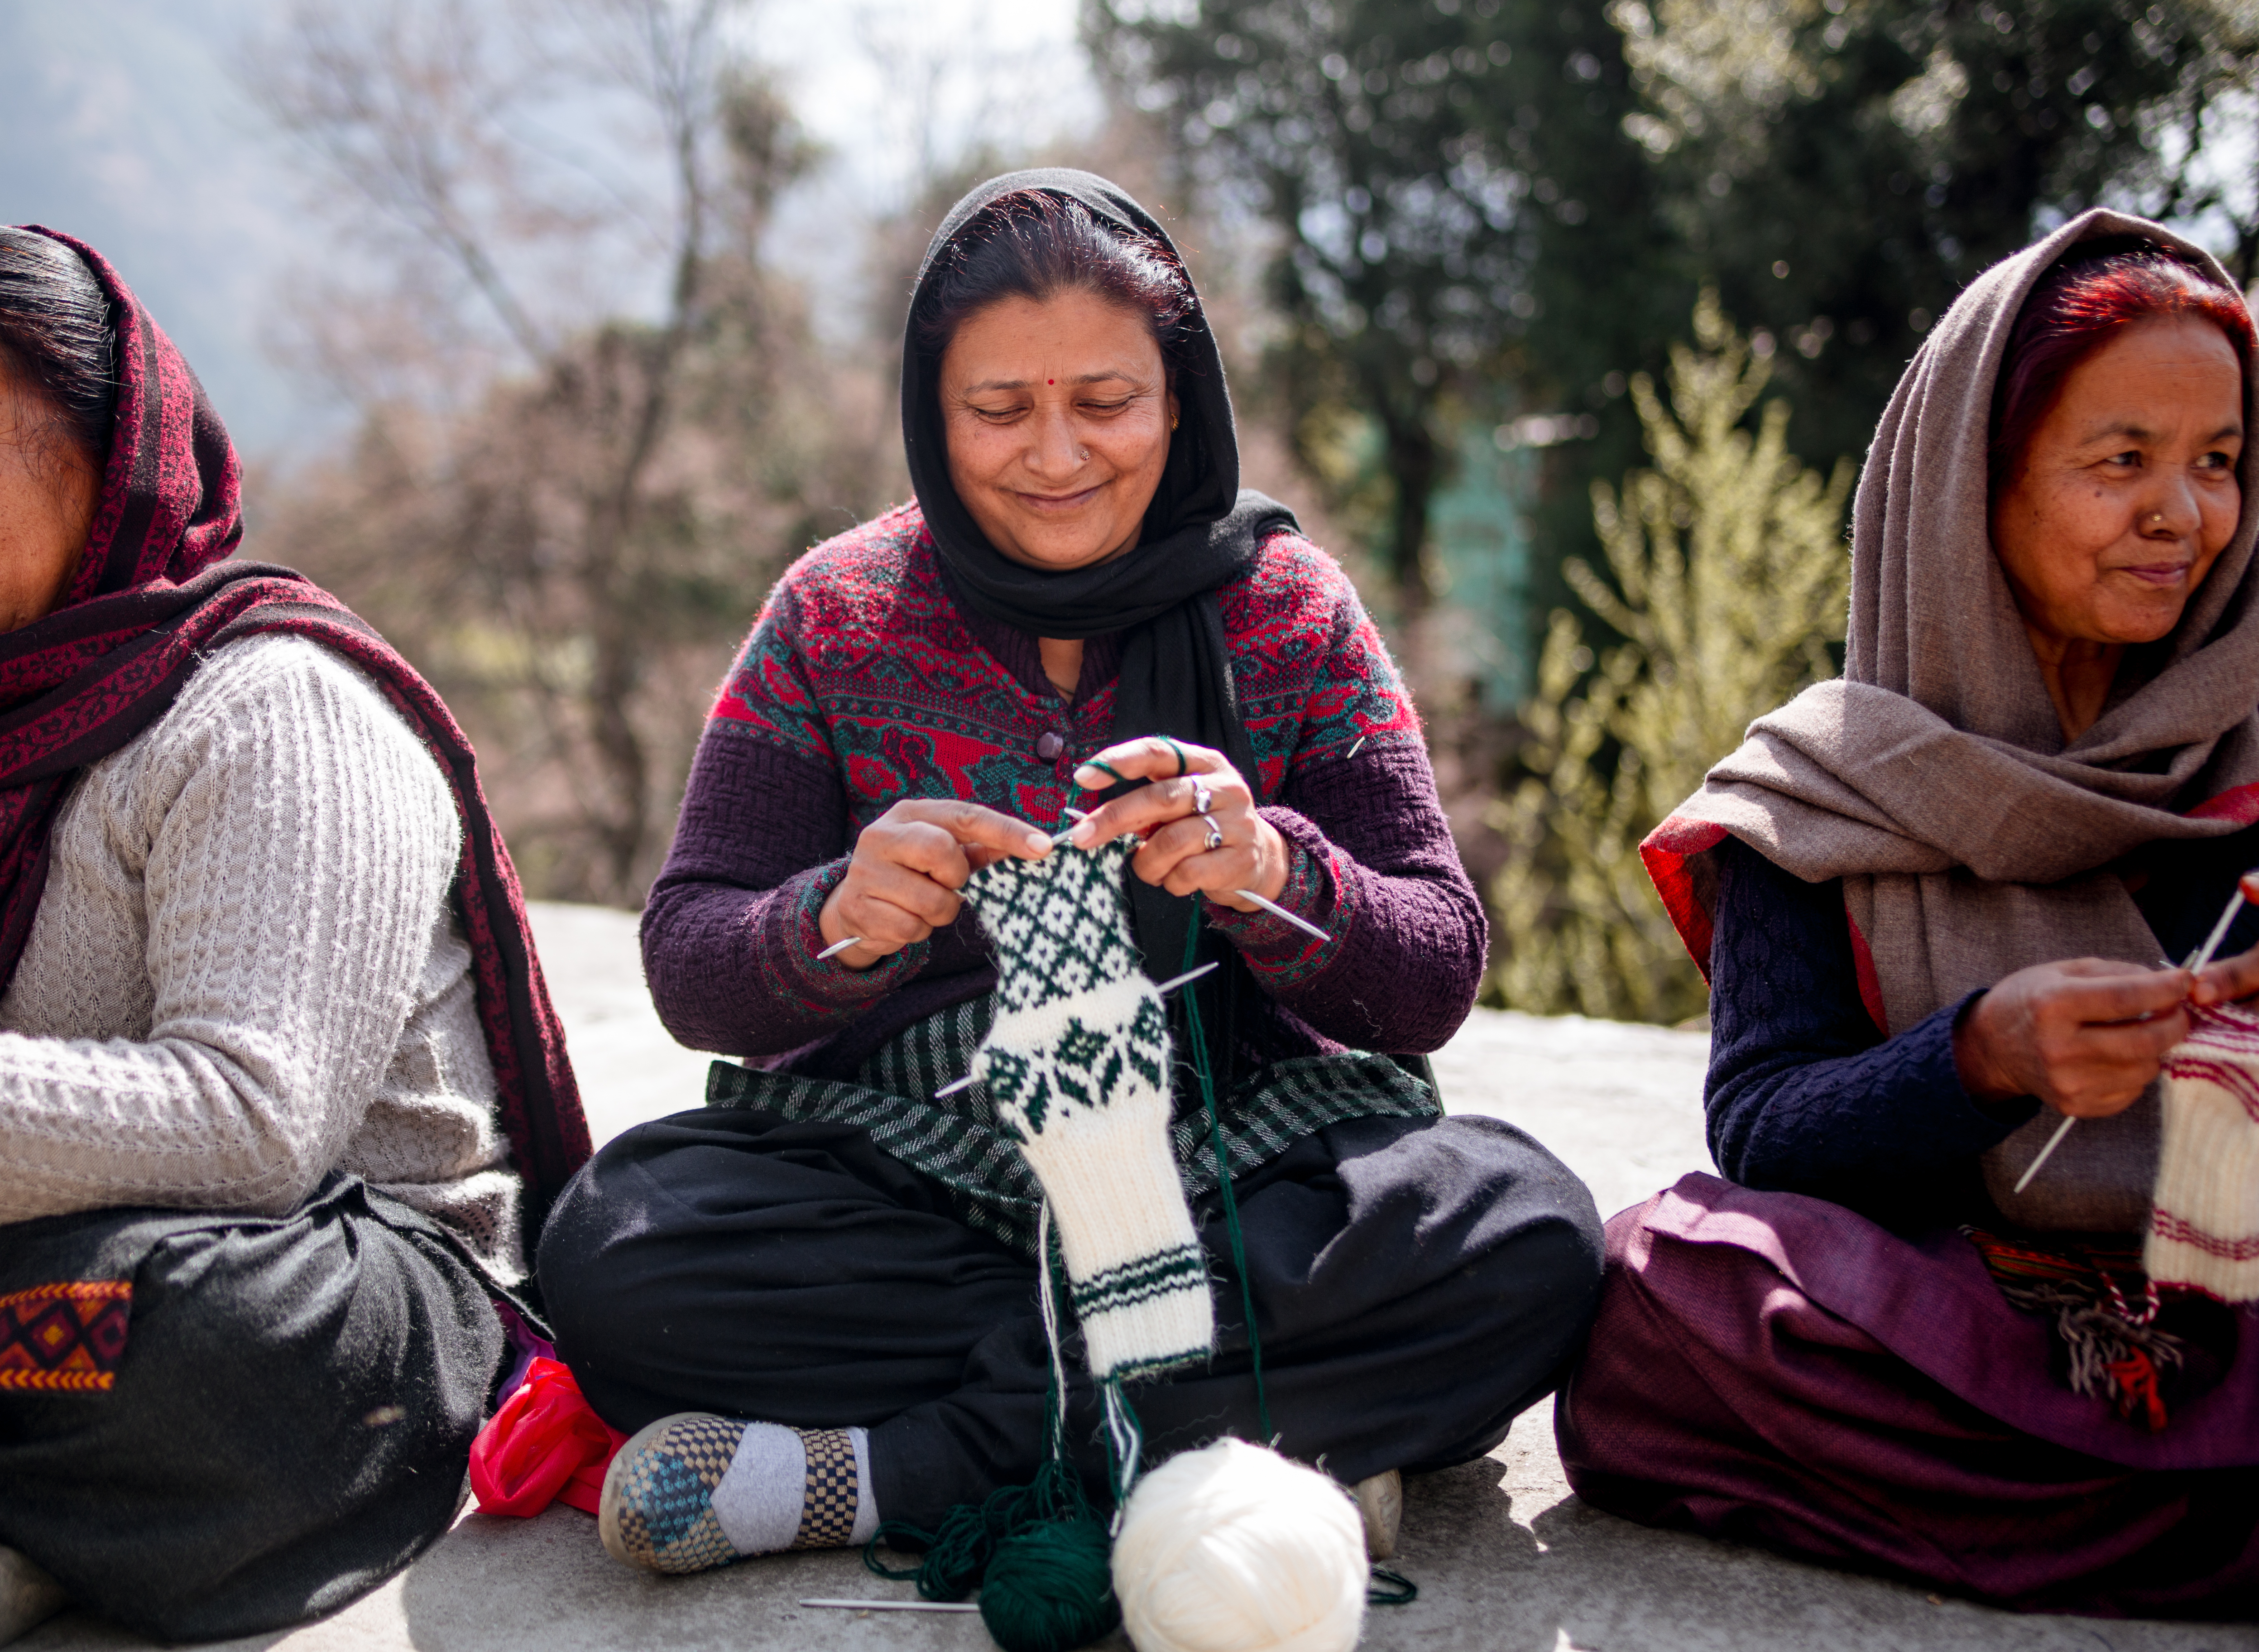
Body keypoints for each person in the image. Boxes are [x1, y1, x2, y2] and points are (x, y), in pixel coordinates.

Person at [535, 169, 1603, 1575]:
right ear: (932, 412)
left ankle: (902, 1466)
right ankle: (1243, 1443)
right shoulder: (835, 615)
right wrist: (835, 919)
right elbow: (690, 956)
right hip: (917, 1167)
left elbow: (1434, 968)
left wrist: (1277, 870)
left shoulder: (1286, 609)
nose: (1055, 455)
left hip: (1235, 1152)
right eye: (999, 410)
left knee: (1526, 1235)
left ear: (1179, 400)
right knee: (615, 1252)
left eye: (1105, 403)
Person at [0, 226, 590, 1651]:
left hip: (282, 1267)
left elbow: (252, 1126)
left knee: (218, 1331)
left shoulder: (272, 712)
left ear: (113, 456)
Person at [1558, 210, 2259, 1617]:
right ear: (1966, 490)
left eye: (2221, 464)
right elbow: (1761, 1125)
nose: (2183, 516)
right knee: (1658, 1286)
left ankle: (2105, 1517)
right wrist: (1981, 1058)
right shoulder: (1816, 793)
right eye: (2121, 462)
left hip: (2238, 1310)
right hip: (1966, 1317)